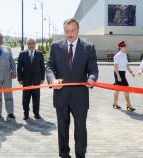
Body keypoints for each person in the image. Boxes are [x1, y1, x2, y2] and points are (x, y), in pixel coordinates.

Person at [46, 18, 98, 158]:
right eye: (67, 31)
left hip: (80, 96)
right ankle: (64, 155)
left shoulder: (88, 47)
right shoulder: (56, 46)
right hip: (61, 95)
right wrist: (52, 79)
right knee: (62, 128)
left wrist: (91, 79)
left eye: (72, 30)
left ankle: (80, 155)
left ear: (78, 29)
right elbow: (49, 66)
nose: (70, 34)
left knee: (80, 128)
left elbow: (93, 70)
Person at [17, 38, 45, 120]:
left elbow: (42, 67)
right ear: (27, 44)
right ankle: (26, 114)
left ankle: (36, 113)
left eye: (33, 43)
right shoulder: (22, 54)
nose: (31, 45)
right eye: (29, 43)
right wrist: (20, 79)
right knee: (26, 98)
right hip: (26, 80)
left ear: (35, 44)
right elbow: (19, 68)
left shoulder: (40, 54)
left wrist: (42, 78)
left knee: (36, 98)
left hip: (37, 80)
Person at [0, 33, 17, 120]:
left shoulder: (8, 49)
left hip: (7, 75)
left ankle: (10, 112)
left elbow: (12, 62)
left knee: (8, 94)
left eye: (0, 38)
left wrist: (14, 71)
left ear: (2, 39)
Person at [112, 41, 135, 111]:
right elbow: (115, 67)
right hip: (118, 73)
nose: (125, 48)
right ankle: (128, 105)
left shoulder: (124, 54)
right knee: (126, 89)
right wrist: (118, 77)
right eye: (124, 47)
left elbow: (126, 65)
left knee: (117, 89)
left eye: (125, 47)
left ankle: (115, 103)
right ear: (120, 47)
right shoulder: (117, 56)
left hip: (123, 73)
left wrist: (131, 72)